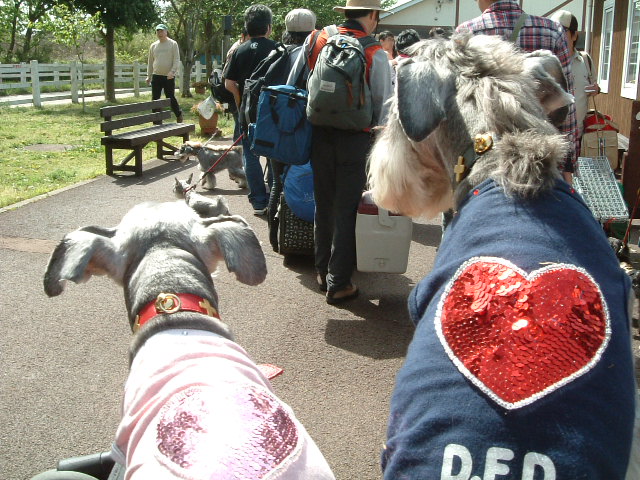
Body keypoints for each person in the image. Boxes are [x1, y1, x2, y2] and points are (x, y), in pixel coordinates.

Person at [290, 0, 392, 304]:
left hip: (319, 134)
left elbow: (295, 85)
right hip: (356, 139)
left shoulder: (317, 39)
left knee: (323, 203)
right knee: (346, 209)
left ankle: (322, 272)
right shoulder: (375, 52)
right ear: (372, 15)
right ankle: (339, 282)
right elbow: (384, 108)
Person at [457, 0, 578, 184]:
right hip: (541, 159)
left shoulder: (467, 34)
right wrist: (567, 165)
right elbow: (566, 106)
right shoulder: (553, 32)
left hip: (485, 158)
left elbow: (459, 109)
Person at [267, 8, 317, 251]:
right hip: (303, 131)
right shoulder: (313, 55)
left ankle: (274, 238)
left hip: (276, 130)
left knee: (277, 182)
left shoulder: (275, 54)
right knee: (305, 182)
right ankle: (306, 240)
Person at [225, 5, 276, 216]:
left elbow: (229, 83)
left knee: (250, 155)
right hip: (271, 112)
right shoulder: (277, 49)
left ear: (247, 27)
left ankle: (258, 201)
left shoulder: (239, 50)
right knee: (273, 155)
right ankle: (274, 197)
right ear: (269, 27)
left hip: (246, 113)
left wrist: (240, 103)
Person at [549, 10, 600, 152]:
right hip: (550, 134)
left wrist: (595, 89)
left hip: (577, 134)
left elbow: (593, 86)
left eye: (562, 31)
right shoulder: (546, 60)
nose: (556, 35)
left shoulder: (585, 60)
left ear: (574, 35)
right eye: (553, 30)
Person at [146, 24, 183, 123]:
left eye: (162, 31)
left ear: (166, 32)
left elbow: (176, 59)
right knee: (155, 99)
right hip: (156, 76)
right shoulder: (153, 45)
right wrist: (148, 76)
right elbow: (150, 62)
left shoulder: (173, 44)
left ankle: (178, 114)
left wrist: (172, 71)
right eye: (158, 31)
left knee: (170, 97)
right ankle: (156, 121)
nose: (160, 33)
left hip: (168, 76)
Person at [221, 27, 249, 144]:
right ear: (243, 36)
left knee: (240, 124)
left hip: (238, 92)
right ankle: (237, 151)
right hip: (233, 93)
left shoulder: (242, 48)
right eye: (249, 38)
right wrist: (238, 98)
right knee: (239, 124)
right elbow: (228, 77)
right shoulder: (236, 50)